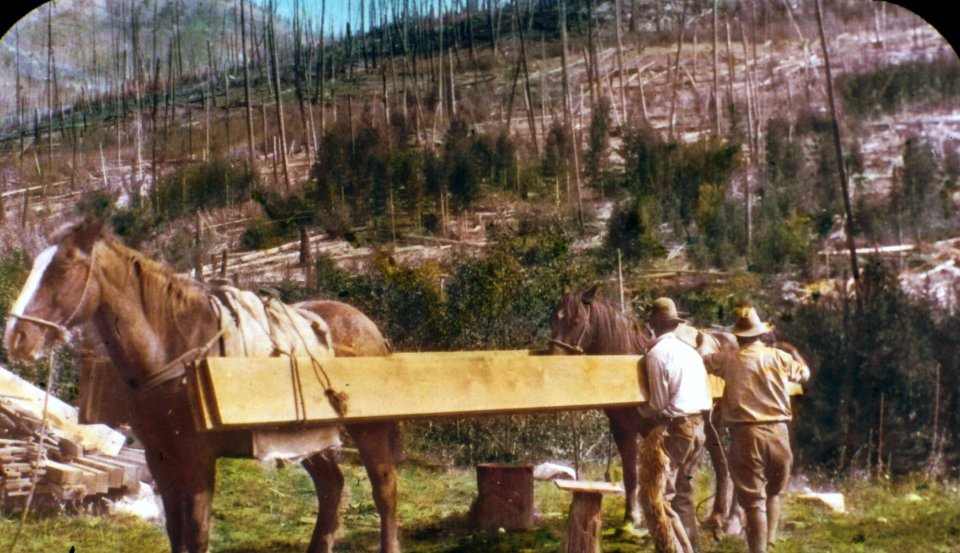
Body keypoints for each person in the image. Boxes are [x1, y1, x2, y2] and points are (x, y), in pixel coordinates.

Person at [704, 306, 810, 553]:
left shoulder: (729, 358)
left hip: (746, 435)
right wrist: (798, 360)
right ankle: (769, 543)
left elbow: (705, 360)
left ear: (738, 337)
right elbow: (804, 374)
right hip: (779, 433)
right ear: (760, 334)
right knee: (775, 492)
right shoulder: (778, 356)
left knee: (753, 504)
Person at [640, 297, 713, 553]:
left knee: (661, 498)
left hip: (677, 431)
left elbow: (658, 404)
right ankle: (693, 546)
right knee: (684, 494)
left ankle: (677, 551)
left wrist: (640, 411)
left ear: (653, 326)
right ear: (673, 324)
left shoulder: (657, 354)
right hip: (699, 428)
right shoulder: (690, 352)